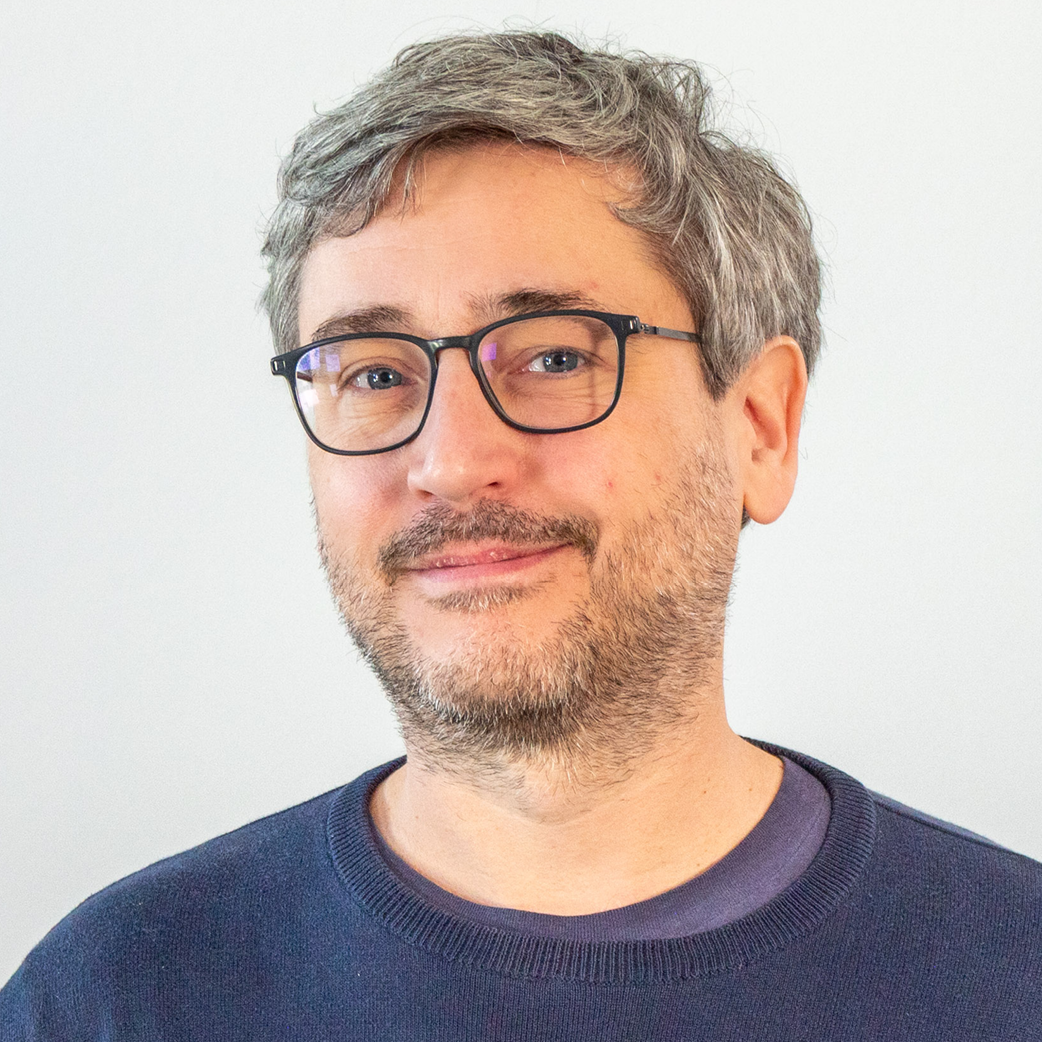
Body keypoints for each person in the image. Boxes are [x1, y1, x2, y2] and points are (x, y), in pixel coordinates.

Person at [2, 29, 1040, 1041]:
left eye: (554, 358)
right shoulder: (111, 1000)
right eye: (375, 372)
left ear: (760, 428)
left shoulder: (1012, 977)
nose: (451, 461)